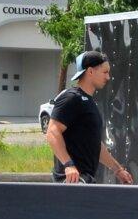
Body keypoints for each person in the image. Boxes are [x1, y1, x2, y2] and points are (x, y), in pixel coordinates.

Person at [45, 51, 133, 185]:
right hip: (71, 180)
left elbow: (95, 144)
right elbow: (52, 132)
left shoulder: (89, 102)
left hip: (85, 179)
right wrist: (68, 165)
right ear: (90, 71)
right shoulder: (71, 98)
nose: (108, 77)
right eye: (105, 72)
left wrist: (117, 169)